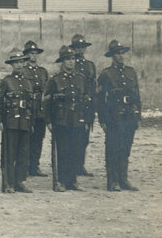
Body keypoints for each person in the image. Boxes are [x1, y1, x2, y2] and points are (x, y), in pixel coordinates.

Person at [46, 37, 94, 190]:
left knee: (75, 150)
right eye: (67, 59)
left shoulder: (81, 79)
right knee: (63, 151)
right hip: (61, 120)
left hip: (77, 119)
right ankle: (61, 181)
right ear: (62, 62)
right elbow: (46, 101)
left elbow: (86, 101)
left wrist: (87, 120)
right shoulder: (55, 80)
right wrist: (48, 121)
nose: (70, 62)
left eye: (72, 59)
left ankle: (72, 181)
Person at [96, 40, 143, 190]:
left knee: (125, 148)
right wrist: (103, 119)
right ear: (112, 56)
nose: (121, 56)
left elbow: (137, 95)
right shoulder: (106, 74)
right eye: (117, 53)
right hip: (113, 117)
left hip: (129, 116)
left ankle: (123, 179)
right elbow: (100, 99)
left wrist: (138, 116)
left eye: (122, 53)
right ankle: (112, 181)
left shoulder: (131, 72)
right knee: (113, 148)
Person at [0, 51, 37, 193]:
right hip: (10, 121)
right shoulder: (6, 81)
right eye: (16, 62)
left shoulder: (28, 82)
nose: (19, 64)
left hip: (25, 121)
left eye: (21, 61)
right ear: (11, 65)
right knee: (9, 154)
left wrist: (32, 122)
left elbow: (32, 104)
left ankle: (20, 181)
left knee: (23, 153)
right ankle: (8, 183)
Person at [20, 40, 52, 178]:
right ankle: (24, 166)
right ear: (26, 55)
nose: (34, 56)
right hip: (28, 109)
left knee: (39, 138)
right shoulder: (23, 71)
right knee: (26, 138)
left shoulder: (43, 71)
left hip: (40, 109)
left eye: (36, 53)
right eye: (31, 53)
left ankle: (35, 166)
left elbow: (47, 90)